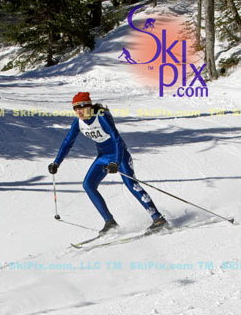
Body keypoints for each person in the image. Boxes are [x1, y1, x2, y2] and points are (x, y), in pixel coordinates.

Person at [48, 92, 167, 234]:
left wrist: (116, 162)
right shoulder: (78, 122)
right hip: (103, 157)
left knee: (131, 184)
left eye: (81, 107)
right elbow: (68, 142)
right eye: (75, 108)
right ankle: (110, 222)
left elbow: (117, 139)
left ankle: (158, 218)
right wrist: (56, 162)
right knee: (88, 185)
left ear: (89, 106)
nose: (78, 111)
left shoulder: (101, 117)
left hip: (119, 155)